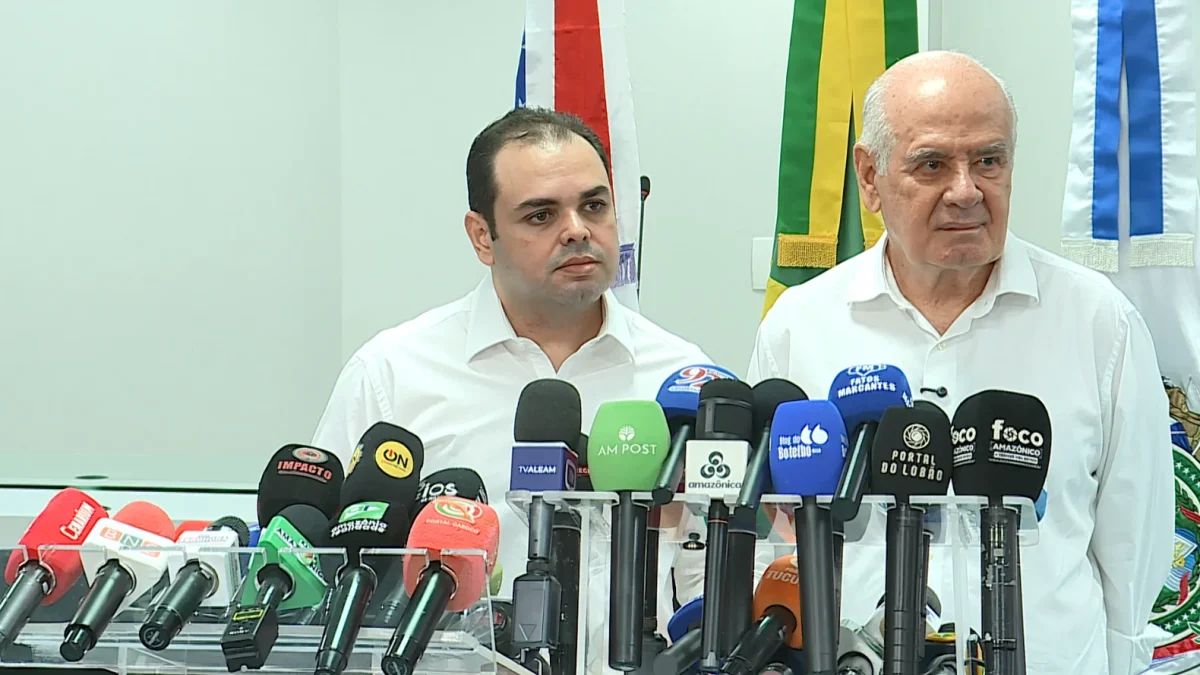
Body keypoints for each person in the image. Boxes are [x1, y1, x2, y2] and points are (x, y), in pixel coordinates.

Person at [748, 52, 1173, 674]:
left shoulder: (1098, 321)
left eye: (989, 161)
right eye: (932, 164)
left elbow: (1135, 548)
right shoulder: (799, 326)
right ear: (869, 177)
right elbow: (775, 536)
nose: (967, 191)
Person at [312, 107, 711, 625]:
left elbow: (714, 577)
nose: (577, 231)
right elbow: (324, 566)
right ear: (483, 236)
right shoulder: (392, 374)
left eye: (594, 206)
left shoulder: (684, 380)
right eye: (541, 216)